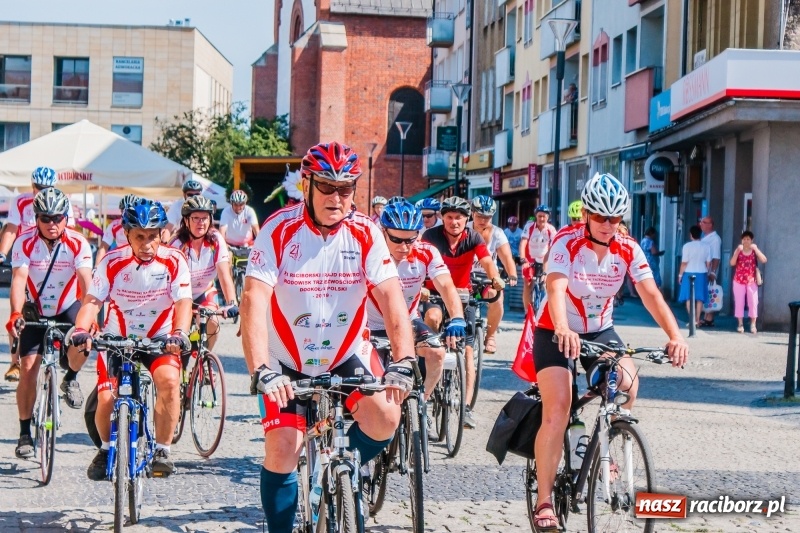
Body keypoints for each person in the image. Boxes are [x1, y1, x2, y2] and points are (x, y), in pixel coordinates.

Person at [239, 142, 416, 533]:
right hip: (286, 359)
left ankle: (345, 465)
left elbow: (391, 297)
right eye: (326, 186)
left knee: (387, 416)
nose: (336, 197)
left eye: (346, 188)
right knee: (283, 448)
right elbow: (253, 300)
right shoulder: (278, 230)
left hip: (345, 352)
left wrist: (404, 359)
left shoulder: (366, 232)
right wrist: (262, 369)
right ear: (307, 185)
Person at [532, 173, 688, 531]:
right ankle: (544, 500)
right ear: (587, 214)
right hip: (555, 329)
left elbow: (650, 294)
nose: (607, 224)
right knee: (558, 409)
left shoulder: (627, 248)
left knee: (628, 382)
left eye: (615, 218)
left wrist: (675, 336)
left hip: (600, 330)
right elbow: (555, 288)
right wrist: (563, 328)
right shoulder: (566, 240)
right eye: (601, 217)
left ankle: (611, 433)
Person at [72, 198, 192, 479]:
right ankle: (105, 449)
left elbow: (183, 302)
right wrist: (81, 329)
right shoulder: (112, 261)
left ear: (162, 234)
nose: (147, 244)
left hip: (160, 337)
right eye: (139, 236)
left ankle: (162, 450)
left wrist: (179, 333)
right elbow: (92, 301)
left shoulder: (175, 260)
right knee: (106, 398)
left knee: (169, 381)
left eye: (153, 236)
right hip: (117, 338)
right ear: (126, 234)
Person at [6, 188, 93, 459]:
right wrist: (15, 313)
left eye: (57, 218)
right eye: (45, 218)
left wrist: (91, 319)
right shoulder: (24, 242)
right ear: (36, 219)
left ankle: (70, 378)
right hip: (36, 309)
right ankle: (24, 433)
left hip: (67, 306)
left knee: (85, 342)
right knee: (28, 369)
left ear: (66, 218)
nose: (52, 224)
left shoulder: (78, 243)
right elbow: (19, 280)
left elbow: (86, 283)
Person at [421, 196, 505, 429]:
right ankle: (431, 359)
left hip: (462, 296)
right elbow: (419, 261)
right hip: (434, 293)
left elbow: (487, 261)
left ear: (466, 219)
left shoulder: (474, 237)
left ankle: (465, 408)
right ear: (442, 218)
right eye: (449, 217)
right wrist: (420, 286)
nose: (454, 222)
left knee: (467, 352)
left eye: (459, 217)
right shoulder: (431, 236)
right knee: (433, 318)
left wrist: (495, 277)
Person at [368, 200, 466, 399]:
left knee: (437, 353)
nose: (404, 247)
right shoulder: (369, 253)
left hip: (408, 321)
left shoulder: (426, 252)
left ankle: (421, 401)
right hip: (371, 325)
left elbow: (446, 285)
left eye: (410, 240)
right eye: (396, 239)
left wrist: (457, 317)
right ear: (383, 232)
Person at [1, 167, 76, 382]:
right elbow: (11, 229)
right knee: (17, 311)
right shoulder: (21, 201)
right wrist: (2, 253)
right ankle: (15, 362)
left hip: (52, 260)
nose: (42, 191)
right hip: (26, 258)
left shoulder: (62, 201)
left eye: (47, 187)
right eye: (39, 187)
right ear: (32, 186)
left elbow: (70, 231)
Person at [169, 196, 238, 352]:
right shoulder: (177, 244)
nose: (201, 222)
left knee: (213, 322)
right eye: (195, 218)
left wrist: (232, 302)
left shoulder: (216, 240)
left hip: (203, 292)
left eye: (205, 218)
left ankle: (204, 357)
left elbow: (224, 274)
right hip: (179, 296)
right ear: (186, 220)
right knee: (178, 337)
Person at [468, 195, 517, 355]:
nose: (483, 220)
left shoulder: (497, 233)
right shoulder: (464, 229)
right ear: (472, 213)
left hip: (487, 277)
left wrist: (512, 274)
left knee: (497, 299)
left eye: (487, 217)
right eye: (479, 216)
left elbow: (507, 257)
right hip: (465, 276)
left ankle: (490, 336)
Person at [519, 205, 557, 311]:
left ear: (548, 217)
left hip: (544, 260)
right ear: (536, 216)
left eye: (544, 216)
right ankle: (527, 312)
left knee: (545, 284)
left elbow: (555, 245)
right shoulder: (529, 226)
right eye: (540, 216)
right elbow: (523, 243)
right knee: (528, 285)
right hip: (530, 259)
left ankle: (544, 309)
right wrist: (523, 259)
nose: (542, 219)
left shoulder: (551, 229)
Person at [730, 230, 767, 334]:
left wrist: (756, 249)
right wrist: (737, 251)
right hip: (739, 280)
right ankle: (740, 324)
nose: (746, 241)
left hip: (751, 280)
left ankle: (753, 324)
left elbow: (764, 260)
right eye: (744, 239)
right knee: (739, 302)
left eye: (748, 239)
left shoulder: (754, 251)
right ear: (741, 240)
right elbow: (732, 263)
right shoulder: (739, 250)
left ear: (751, 241)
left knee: (753, 302)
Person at [678, 225, 711, 327]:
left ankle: (692, 319)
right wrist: (707, 272)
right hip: (702, 273)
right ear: (700, 234)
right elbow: (708, 262)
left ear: (691, 235)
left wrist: (680, 275)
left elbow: (684, 263)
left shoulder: (687, 246)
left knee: (688, 297)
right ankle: (698, 319)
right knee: (700, 298)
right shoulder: (706, 246)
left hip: (688, 273)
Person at [95, 194, 140, 266]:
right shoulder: (114, 226)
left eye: (130, 210)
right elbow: (103, 248)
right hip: (121, 263)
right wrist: (96, 267)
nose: (127, 213)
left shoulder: (143, 227)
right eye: (123, 210)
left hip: (138, 262)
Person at [699, 216, 722, 327]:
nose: (701, 224)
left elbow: (716, 256)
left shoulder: (715, 239)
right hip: (703, 269)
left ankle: (709, 317)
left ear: (710, 225)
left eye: (704, 222)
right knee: (707, 292)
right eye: (701, 222)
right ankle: (706, 317)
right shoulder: (704, 237)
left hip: (709, 270)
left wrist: (713, 272)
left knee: (710, 292)